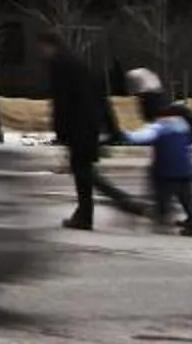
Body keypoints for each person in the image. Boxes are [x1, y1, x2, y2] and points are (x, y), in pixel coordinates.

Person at [47, 36, 141, 230]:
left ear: (50, 46)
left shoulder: (61, 67)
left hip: (78, 128)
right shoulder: (82, 67)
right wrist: (113, 129)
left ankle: (122, 204)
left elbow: (61, 103)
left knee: (84, 173)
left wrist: (60, 132)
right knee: (84, 172)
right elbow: (102, 99)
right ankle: (87, 213)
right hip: (91, 128)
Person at [123, 94, 192, 237]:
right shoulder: (182, 122)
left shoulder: (159, 126)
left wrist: (121, 134)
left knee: (162, 194)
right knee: (188, 199)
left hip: (166, 171)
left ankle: (162, 214)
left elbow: (140, 137)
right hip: (186, 169)